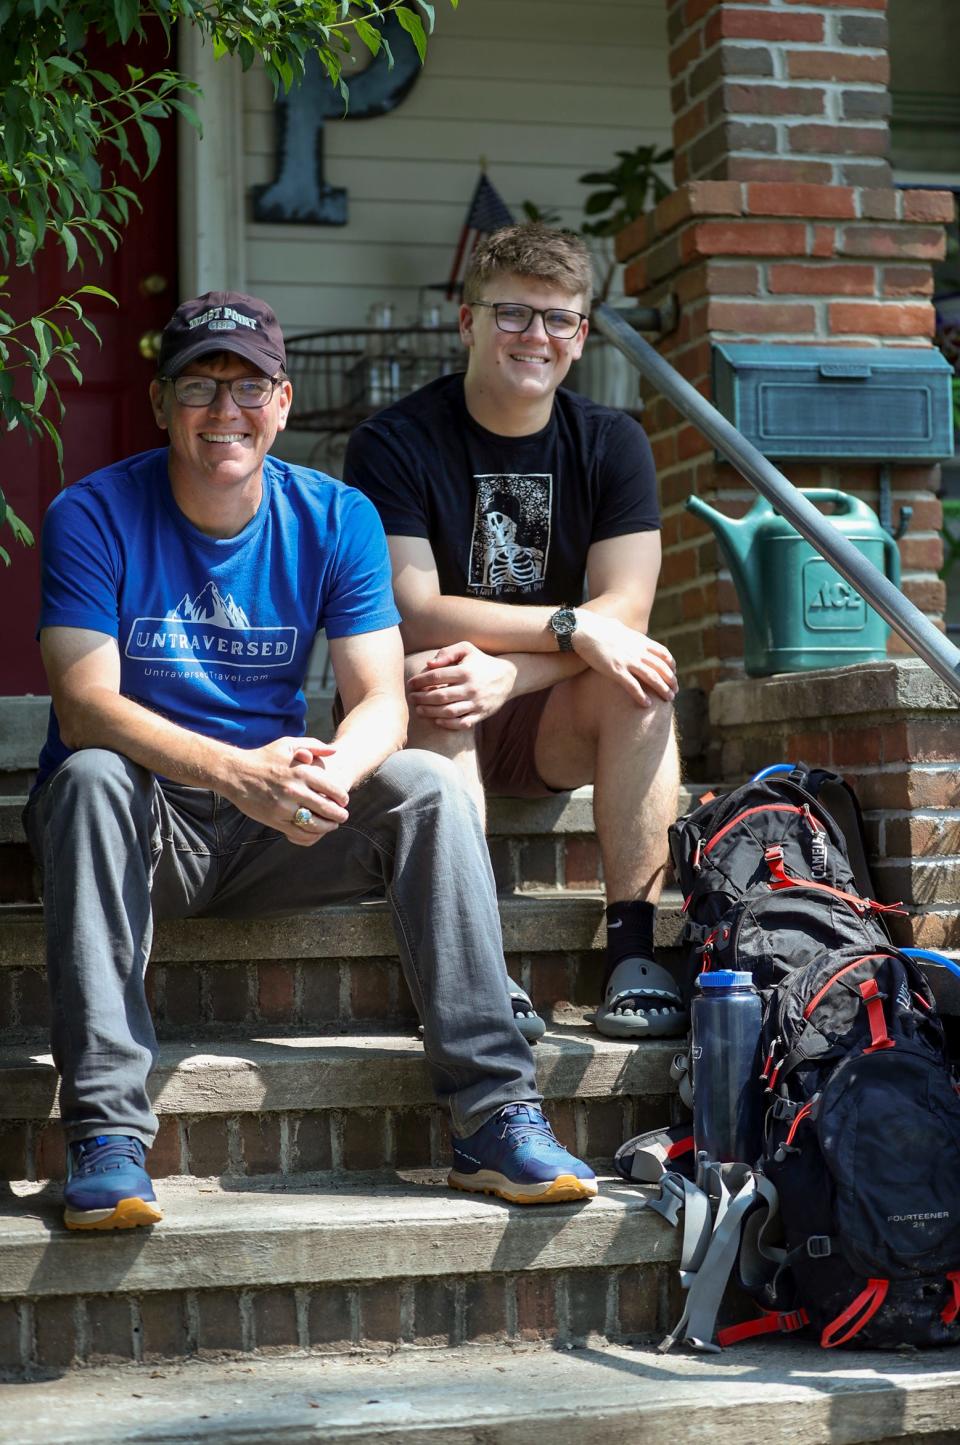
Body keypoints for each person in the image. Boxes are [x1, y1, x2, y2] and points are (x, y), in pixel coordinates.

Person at [24, 290, 597, 1232]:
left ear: (282, 404)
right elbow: (85, 706)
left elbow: (380, 699)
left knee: (422, 783)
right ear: (162, 404)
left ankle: (494, 1115)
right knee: (88, 777)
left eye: (248, 386)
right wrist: (238, 772)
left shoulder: (336, 517)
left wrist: (319, 777)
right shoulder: (94, 513)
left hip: (272, 832)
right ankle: (107, 1135)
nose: (225, 410)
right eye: (199, 386)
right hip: (143, 824)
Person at [343, 225, 683, 1041]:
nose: (537, 336)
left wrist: (518, 673)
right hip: (433, 715)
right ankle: (478, 964)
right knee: (427, 665)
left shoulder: (611, 443)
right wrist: (567, 627)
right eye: (513, 314)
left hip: (548, 723)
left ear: (579, 337)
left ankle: (634, 955)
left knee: (639, 676)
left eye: (559, 319)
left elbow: (626, 611)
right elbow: (415, 605)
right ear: (468, 323)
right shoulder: (393, 442)